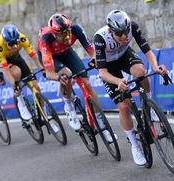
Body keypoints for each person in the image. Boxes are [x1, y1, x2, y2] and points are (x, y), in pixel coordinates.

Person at [93, 10, 168, 165]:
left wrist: (156, 67)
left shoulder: (132, 27)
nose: (124, 37)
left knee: (140, 72)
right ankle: (135, 145)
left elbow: (148, 52)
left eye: (126, 32)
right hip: (108, 67)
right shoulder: (100, 38)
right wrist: (117, 81)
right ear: (110, 31)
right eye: (119, 33)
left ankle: (150, 105)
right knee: (124, 107)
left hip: (124, 56)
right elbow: (102, 73)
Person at [37, 13, 117, 142]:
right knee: (66, 75)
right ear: (54, 34)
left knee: (87, 83)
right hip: (52, 57)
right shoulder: (46, 39)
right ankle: (68, 106)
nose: (66, 37)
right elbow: (50, 73)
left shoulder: (76, 29)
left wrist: (95, 60)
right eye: (61, 35)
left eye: (67, 32)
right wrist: (59, 77)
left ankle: (102, 126)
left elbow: (92, 51)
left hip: (67, 53)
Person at [0, 24, 45, 122]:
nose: (15, 46)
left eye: (16, 42)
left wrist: (41, 68)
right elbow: (6, 70)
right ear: (4, 41)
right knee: (16, 72)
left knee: (36, 87)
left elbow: (32, 54)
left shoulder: (22, 38)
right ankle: (20, 101)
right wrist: (15, 85)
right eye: (11, 44)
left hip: (15, 57)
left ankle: (44, 116)